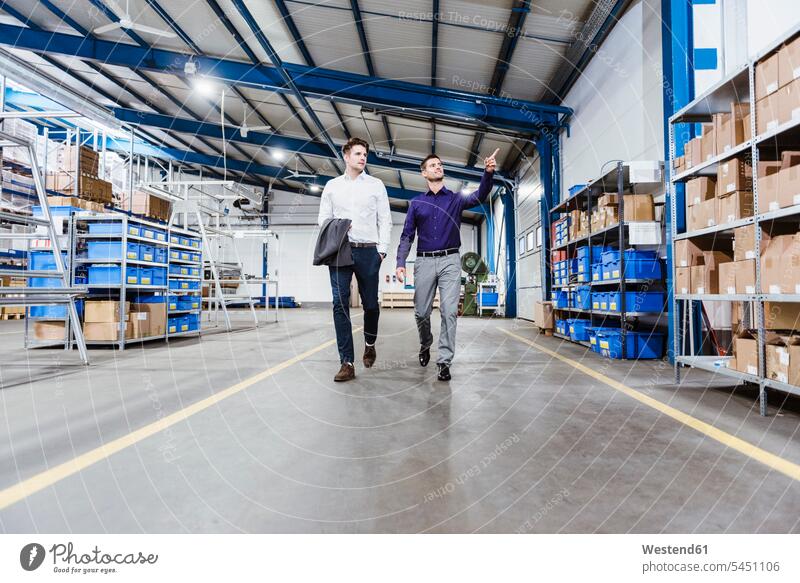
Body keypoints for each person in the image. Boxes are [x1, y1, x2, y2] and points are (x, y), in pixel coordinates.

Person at [395, 149, 499, 381]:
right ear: (423, 173)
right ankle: (426, 342)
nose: (438, 167)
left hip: (451, 261)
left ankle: (444, 361)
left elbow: (480, 196)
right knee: (421, 312)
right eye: (432, 165)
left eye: (440, 164)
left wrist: (488, 173)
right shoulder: (416, 203)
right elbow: (407, 236)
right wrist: (400, 262)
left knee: (449, 311)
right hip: (423, 261)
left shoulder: (455, 199)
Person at [318, 137, 392, 382]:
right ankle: (347, 362)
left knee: (370, 304)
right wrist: (335, 236)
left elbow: (385, 219)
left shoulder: (376, 185)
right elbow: (323, 220)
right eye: (358, 153)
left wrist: (381, 250)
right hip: (340, 250)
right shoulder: (331, 186)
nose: (363, 158)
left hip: (369, 250)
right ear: (346, 156)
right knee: (340, 304)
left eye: (365, 154)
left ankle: (370, 342)